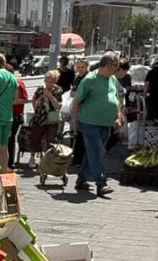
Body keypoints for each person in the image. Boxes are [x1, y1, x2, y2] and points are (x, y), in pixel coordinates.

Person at [71, 52, 122, 197]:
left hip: (106, 123)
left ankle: (81, 179)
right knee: (98, 151)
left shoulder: (112, 79)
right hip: (89, 122)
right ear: (107, 65)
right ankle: (101, 183)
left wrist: (118, 115)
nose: (117, 69)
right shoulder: (89, 79)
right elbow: (77, 101)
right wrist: (74, 121)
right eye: (116, 65)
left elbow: (116, 99)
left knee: (93, 152)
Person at [28, 70, 63, 168]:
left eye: (51, 81)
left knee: (51, 140)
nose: (49, 84)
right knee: (35, 138)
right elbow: (34, 99)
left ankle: (48, 161)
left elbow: (58, 106)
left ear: (55, 81)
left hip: (52, 117)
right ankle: (32, 158)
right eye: (47, 81)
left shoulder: (58, 90)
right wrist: (36, 109)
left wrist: (50, 96)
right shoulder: (40, 89)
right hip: (40, 117)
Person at [7, 60, 29, 170]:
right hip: (9, 114)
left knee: (10, 139)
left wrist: (9, 102)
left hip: (15, 115)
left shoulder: (18, 83)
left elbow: (24, 99)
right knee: (7, 139)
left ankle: (10, 162)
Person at [70, 57, 90, 166]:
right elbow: (73, 91)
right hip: (77, 108)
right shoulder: (77, 77)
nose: (80, 69)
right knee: (75, 133)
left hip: (85, 109)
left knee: (82, 135)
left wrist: (76, 94)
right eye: (78, 67)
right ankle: (75, 157)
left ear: (87, 67)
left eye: (83, 67)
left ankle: (80, 158)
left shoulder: (89, 78)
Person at [145, 58, 158, 123]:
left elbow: (146, 87)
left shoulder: (151, 72)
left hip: (153, 97)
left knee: (151, 116)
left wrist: (145, 92)